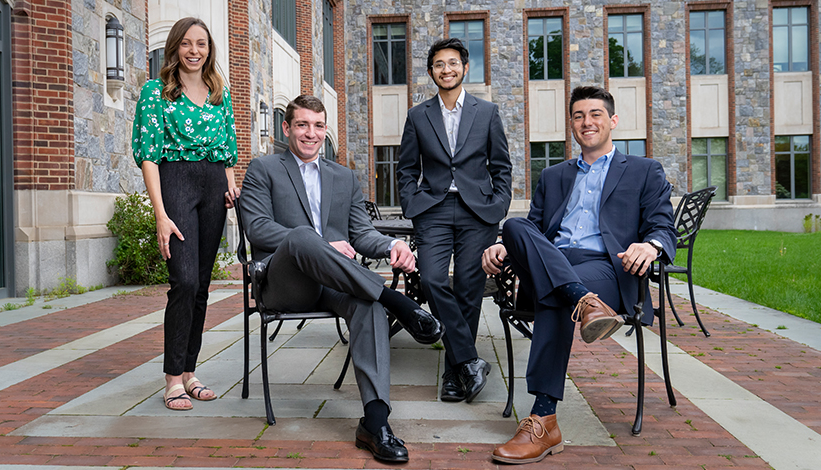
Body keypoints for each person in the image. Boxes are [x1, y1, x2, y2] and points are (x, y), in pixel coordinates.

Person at [239, 95, 443, 463]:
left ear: (326, 130)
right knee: (303, 236)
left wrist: (393, 244)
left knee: (366, 305)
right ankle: (397, 302)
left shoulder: (344, 177)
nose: (310, 133)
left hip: (334, 284)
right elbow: (257, 229)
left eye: (318, 126)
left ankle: (376, 424)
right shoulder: (263, 169)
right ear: (286, 129)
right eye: (302, 125)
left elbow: (362, 234)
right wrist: (321, 243)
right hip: (286, 284)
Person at [482, 86, 677, 464]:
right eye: (578, 116)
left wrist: (650, 246)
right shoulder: (553, 175)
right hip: (555, 262)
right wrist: (504, 247)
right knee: (514, 228)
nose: (586, 122)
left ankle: (542, 417)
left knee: (553, 295)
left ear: (613, 121)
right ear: (571, 124)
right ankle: (583, 302)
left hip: (605, 265)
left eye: (595, 114)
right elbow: (534, 229)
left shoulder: (644, 170)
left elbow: (663, 226)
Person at [132, 17, 241, 411]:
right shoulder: (155, 91)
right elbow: (148, 155)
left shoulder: (219, 93)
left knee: (202, 287)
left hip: (213, 186)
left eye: (202, 44)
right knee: (183, 281)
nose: (195, 51)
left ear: (209, 50)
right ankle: (172, 379)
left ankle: (191, 373)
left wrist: (229, 184)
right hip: (175, 180)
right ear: (175, 47)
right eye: (187, 44)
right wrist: (160, 214)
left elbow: (227, 146)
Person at [396, 38, 512, 404]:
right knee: (430, 279)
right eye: (438, 64)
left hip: (478, 211)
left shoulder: (487, 112)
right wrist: (413, 203)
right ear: (431, 72)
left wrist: (497, 207)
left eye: (453, 63)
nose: (446, 69)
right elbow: (406, 168)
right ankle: (469, 361)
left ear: (465, 67)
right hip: (433, 209)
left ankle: (454, 373)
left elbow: (502, 167)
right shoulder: (418, 115)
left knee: (468, 287)